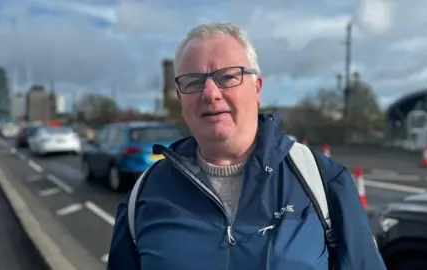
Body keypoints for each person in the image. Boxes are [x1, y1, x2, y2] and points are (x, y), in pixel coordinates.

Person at [107, 22, 386, 270]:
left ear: (257, 88)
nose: (210, 93)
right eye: (193, 81)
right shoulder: (144, 193)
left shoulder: (322, 181)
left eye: (228, 77)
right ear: (180, 98)